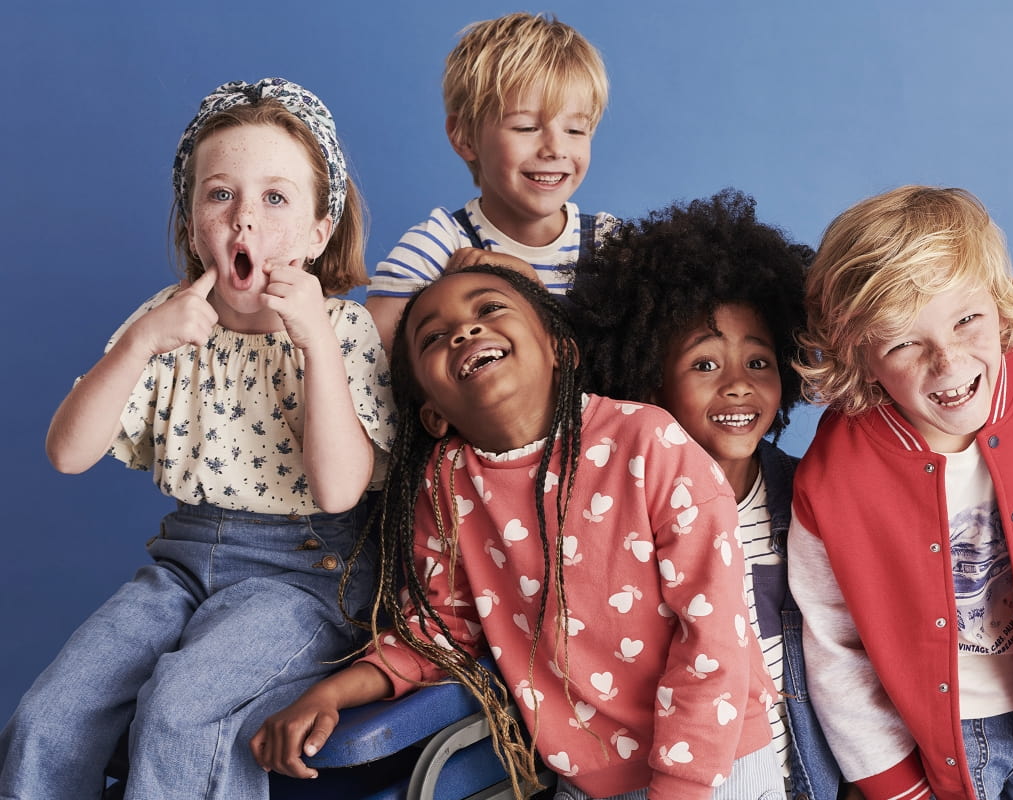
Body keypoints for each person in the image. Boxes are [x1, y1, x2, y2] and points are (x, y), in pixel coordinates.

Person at [253, 264, 784, 800]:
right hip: (588, 779)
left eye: (489, 309)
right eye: (434, 336)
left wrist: (680, 789)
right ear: (433, 414)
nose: (464, 331)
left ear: (561, 350)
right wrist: (333, 694)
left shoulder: (649, 441)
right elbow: (443, 631)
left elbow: (713, 635)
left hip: (715, 768)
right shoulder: (445, 482)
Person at [0, 78, 394, 799]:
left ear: (319, 229)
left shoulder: (341, 330)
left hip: (306, 578)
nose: (245, 220)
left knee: (180, 711)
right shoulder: (166, 321)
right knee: (46, 717)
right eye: (221, 196)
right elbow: (67, 453)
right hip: (184, 564)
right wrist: (140, 343)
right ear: (191, 224)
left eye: (276, 198)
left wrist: (312, 344)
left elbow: (340, 488)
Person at [787, 185, 1013, 800]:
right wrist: (889, 781)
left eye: (966, 320)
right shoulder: (833, 476)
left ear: (998, 305)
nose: (948, 362)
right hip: (926, 742)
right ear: (860, 356)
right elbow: (833, 641)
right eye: (903, 342)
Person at [564, 189, 856, 800]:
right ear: (648, 377)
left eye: (758, 363)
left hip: (799, 773)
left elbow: (853, 652)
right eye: (704, 365)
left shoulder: (809, 497)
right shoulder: (614, 511)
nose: (737, 387)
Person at [366, 11, 615, 350]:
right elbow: (363, 370)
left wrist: (525, 286)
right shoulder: (436, 250)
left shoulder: (610, 246)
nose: (555, 148)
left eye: (575, 130)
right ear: (464, 137)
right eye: (526, 127)